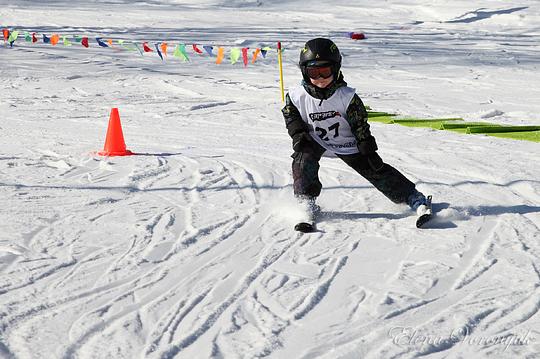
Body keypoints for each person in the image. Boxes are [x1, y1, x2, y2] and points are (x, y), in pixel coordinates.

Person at [281, 38, 429, 228]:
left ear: (335, 69)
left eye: (325, 71)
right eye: (313, 72)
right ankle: (305, 203)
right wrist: (298, 134)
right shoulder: (296, 96)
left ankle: (413, 197)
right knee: (302, 160)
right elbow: (290, 115)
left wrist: (366, 145)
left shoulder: (346, 97)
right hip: (315, 140)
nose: (320, 78)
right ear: (304, 71)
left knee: (374, 168)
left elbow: (359, 123)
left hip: (346, 143)